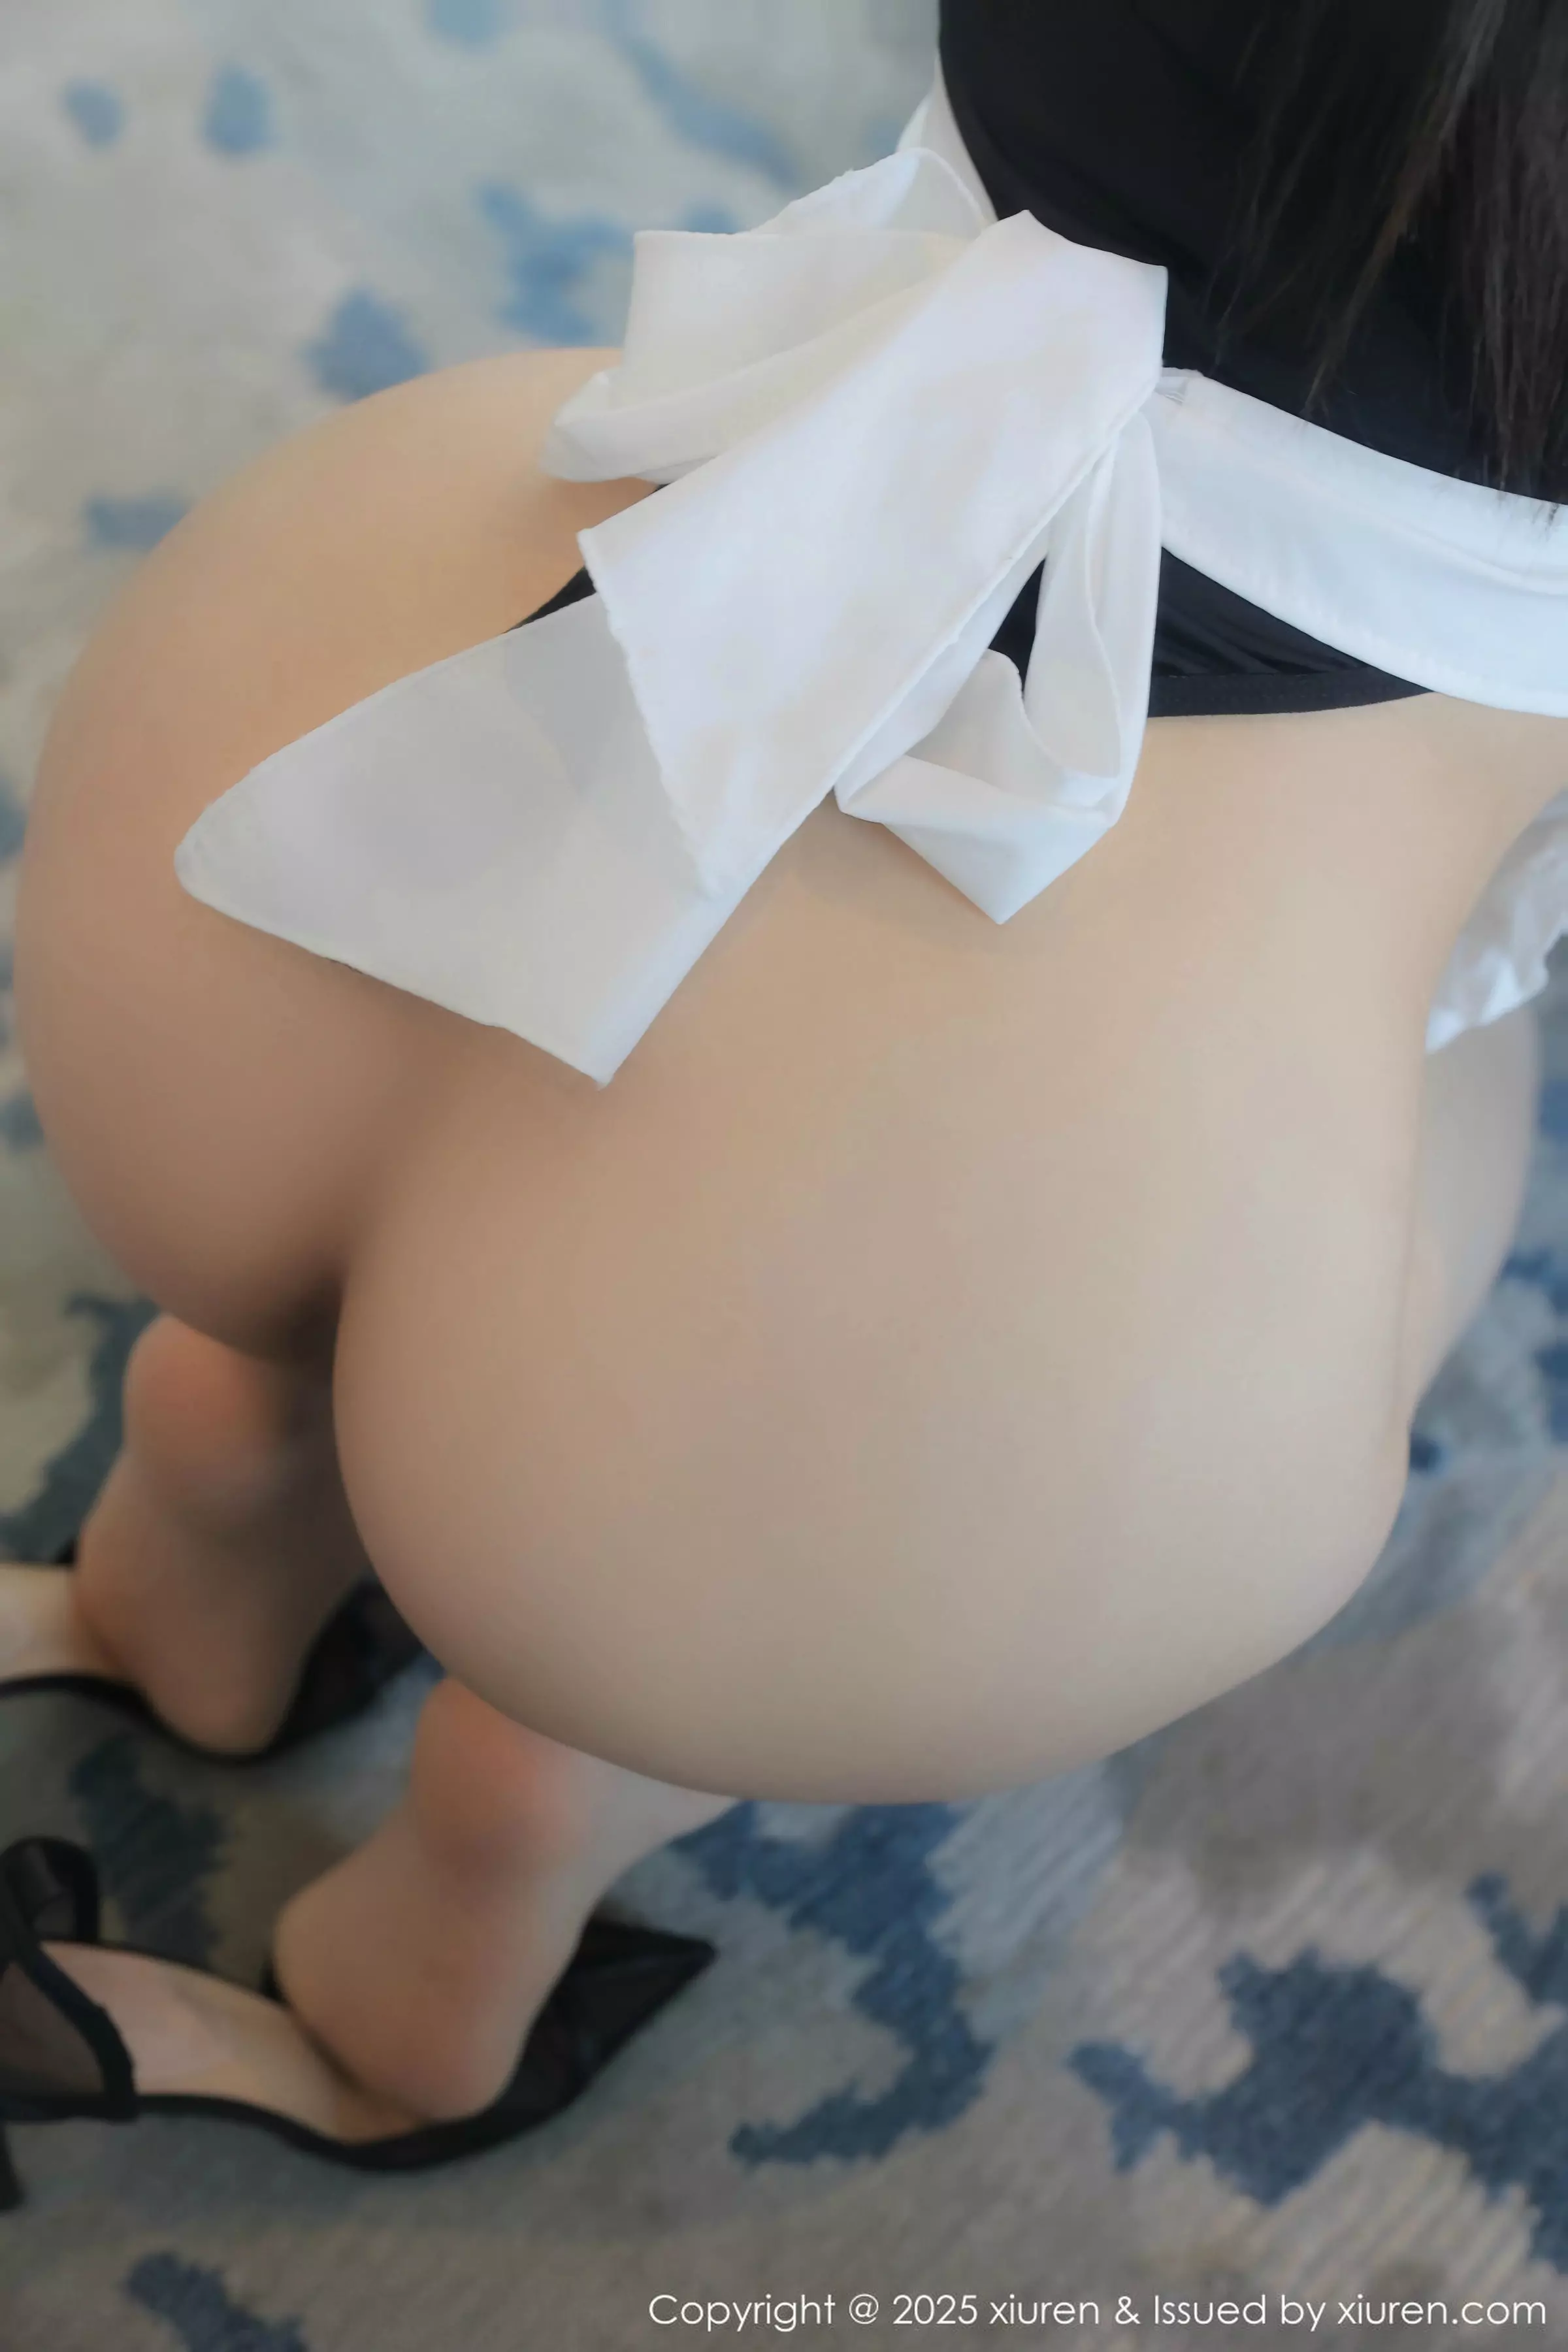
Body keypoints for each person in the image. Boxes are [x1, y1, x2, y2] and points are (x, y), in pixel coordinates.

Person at [1, 0, 1565, 2185]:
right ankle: (423, 1992)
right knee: (575, 1731)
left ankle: (175, 1591)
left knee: (225, 1375)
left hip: (285, 760)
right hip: (936, 1396)